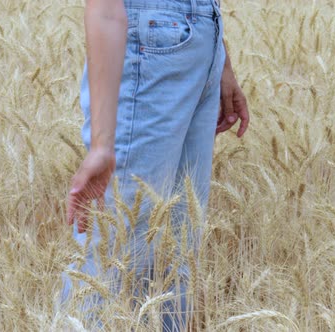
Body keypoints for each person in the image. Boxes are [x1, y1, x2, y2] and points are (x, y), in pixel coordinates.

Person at [62, 0, 249, 330]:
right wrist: (103, 144)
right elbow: (105, 7)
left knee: (174, 259)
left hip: (199, 31)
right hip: (151, 37)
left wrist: (219, 58)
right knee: (112, 261)